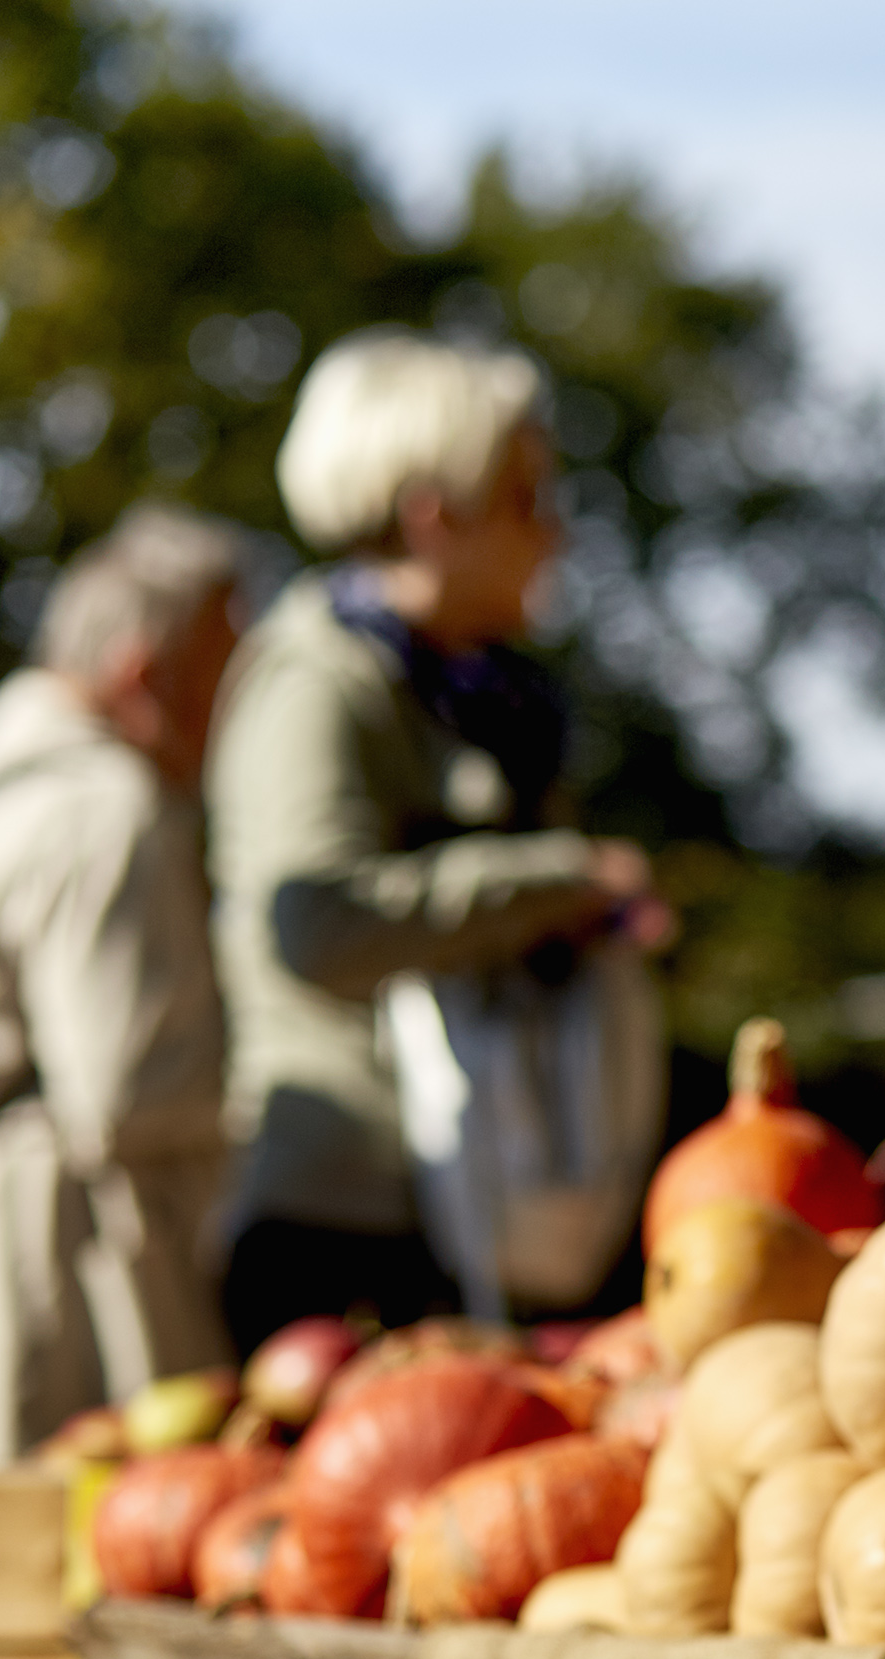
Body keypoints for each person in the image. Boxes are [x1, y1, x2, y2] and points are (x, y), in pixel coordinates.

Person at [211, 329, 656, 1348]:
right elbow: (315, 924)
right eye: (525, 500)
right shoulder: (315, 681)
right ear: (433, 516)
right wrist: (560, 881)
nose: (554, 536)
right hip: (349, 1223)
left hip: (491, 1207)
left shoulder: (489, 697)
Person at [0, 506, 245, 1474]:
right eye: (221, 675)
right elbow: (132, 1095)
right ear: (144, 675)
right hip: (62, 1271)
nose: (229, 717)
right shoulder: (111, 809)